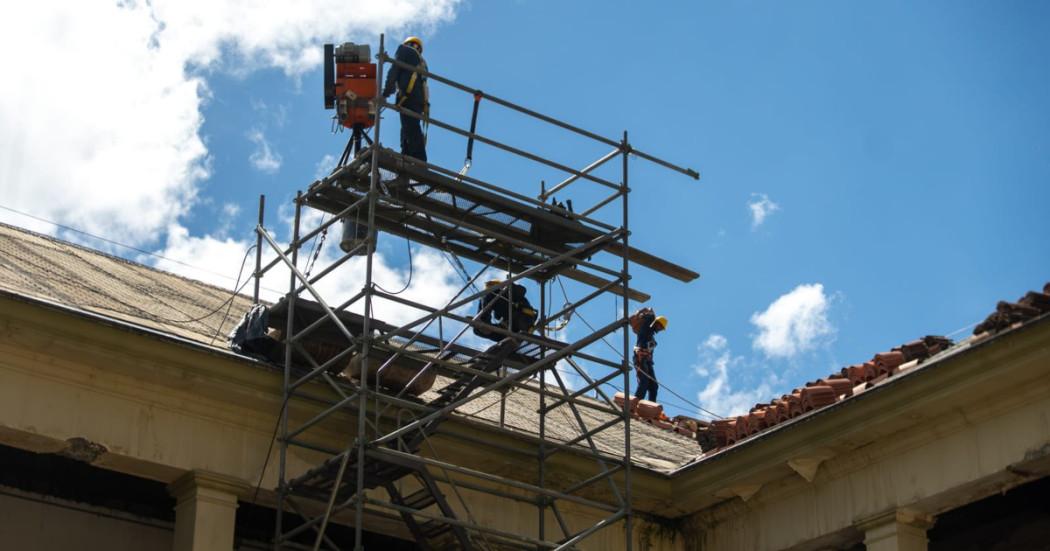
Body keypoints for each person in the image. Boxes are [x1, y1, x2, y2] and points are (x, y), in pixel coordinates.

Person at [382, 36, 429, 161]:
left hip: (408, 97)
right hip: (419, 102)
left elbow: (394, 71)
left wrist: (385, 93)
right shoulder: (423, 63)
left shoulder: (404, 50)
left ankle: (418, 160)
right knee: (409, 128)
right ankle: (407, 157)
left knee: (410, 129)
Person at [633, 311, 668, 402]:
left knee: (654, 386)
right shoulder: (646, 329)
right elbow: (650, 317)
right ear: (656, 323)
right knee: (644, 382)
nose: (660, 329)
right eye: (660, 326)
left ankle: (651, 407)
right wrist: (650, 312)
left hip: (647, 362)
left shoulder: (652, 338)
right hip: (640, 358)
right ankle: (634, 404)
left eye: (661, 328)